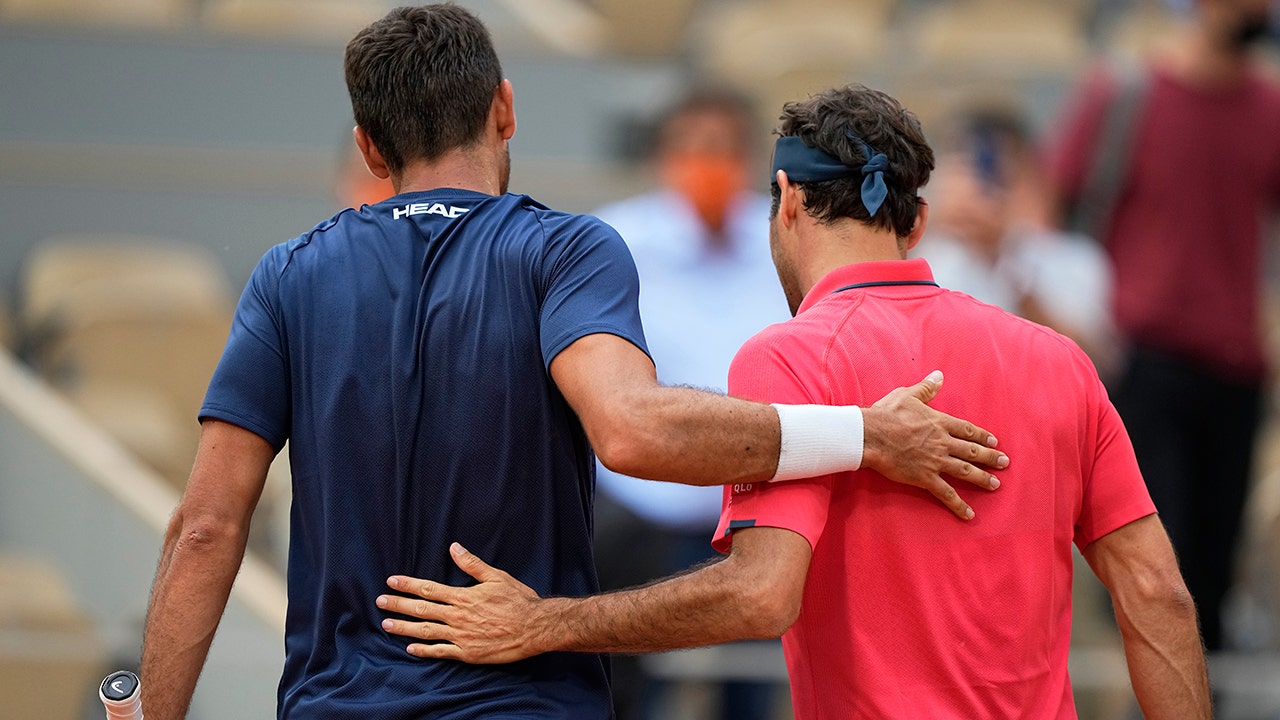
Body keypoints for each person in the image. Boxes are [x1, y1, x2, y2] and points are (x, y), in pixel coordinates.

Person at [135, 8, 1007, 720]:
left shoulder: (287, 274)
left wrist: (150, 713)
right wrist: (863, 435)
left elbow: (206, 528)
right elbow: (631, 431)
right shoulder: (565, 251)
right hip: (526, 705)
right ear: (505, 110)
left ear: (368, 148)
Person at [378, 84, 1211, 719]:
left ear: (786, 201)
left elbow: (759, 595)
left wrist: (545, 623)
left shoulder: (790, 356)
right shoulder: (1060, 361)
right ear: (917, 222)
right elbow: (1158, 592)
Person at [1046, 0, 1280, 652]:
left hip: (1236, 368)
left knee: (1213, 573)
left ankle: (1200, 693)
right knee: (1152, 568)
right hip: (1143, 362)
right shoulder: (1125, 95)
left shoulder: (1268, 110)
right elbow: (1049, 208)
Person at [588, 86, 790, 720]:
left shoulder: (778, 241)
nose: (711, 163)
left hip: (757, 507)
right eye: (697, 148)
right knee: (635, 686)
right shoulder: (614, 239)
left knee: (750, 688)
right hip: (645, 510)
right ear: (664, 156)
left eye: (726, 149)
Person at [918, 104, 1116, 375]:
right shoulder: (928, 256)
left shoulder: (1073, 258)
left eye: (991, 171)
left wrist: (1002, 258)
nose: (979, 188)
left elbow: (1093, 362)